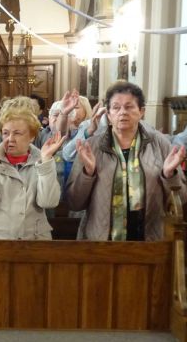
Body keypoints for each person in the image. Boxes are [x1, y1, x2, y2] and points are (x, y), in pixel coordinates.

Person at [66, 81, 187, 241]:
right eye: (116, 107)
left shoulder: (160, 144)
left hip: (150, 240)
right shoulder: (92, 146)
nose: (123, 112)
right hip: (100, 241)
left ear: (141, 111)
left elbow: (182, 199)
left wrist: (169, 175)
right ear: (108, 114)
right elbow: (74, 203)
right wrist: (88, 173)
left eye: (129, 107)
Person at [0, 97, 64, 240]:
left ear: (32, 136)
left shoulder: (42, 160)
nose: (10, 138)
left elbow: (48, 202)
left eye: (17, 133)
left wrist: (46, 161)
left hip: (33, 241)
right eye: (5, 133)